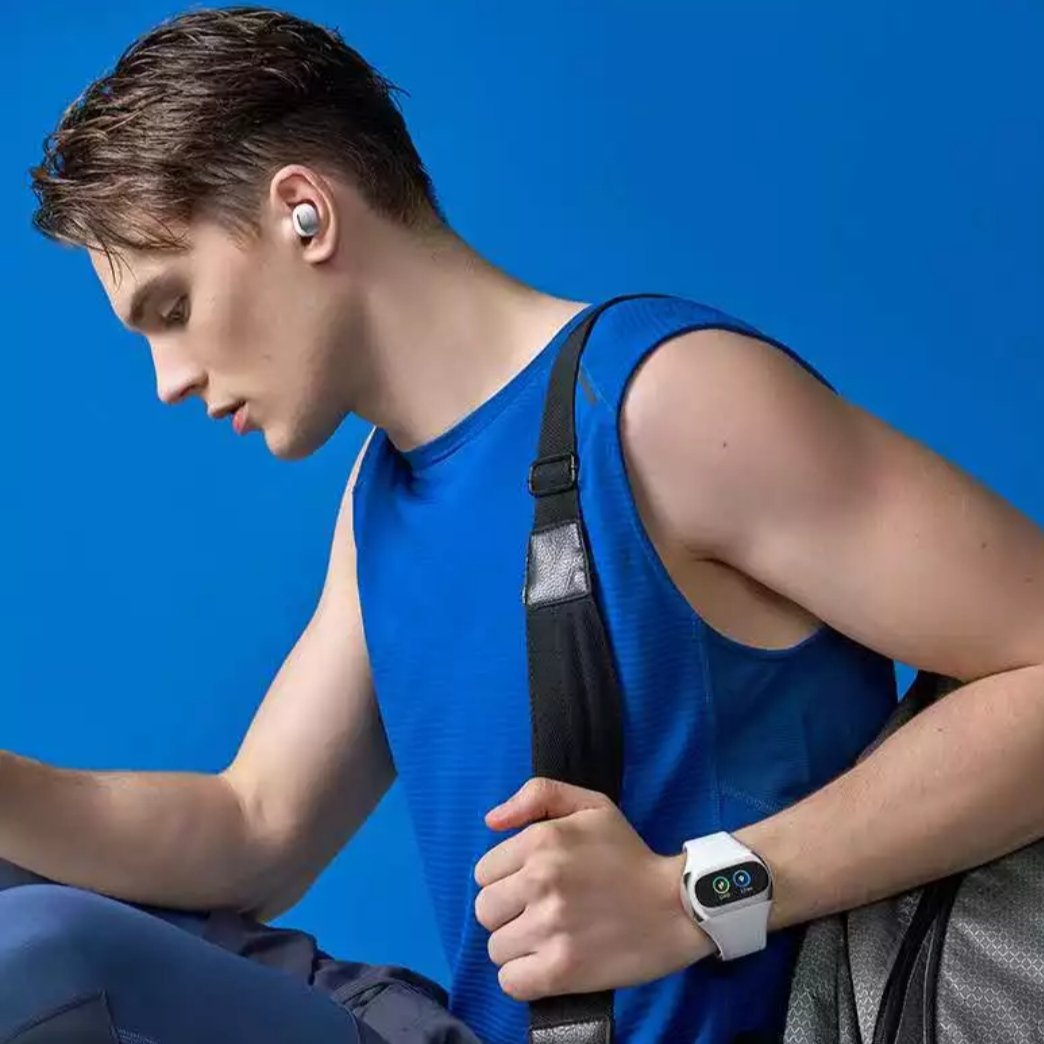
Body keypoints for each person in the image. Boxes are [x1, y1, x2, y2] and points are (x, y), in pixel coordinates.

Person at [14, 5, 1044, 1043]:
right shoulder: (385, 497)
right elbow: (252, 834)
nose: (168, 381)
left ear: (305, 215)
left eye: (172, 307)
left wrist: (699, 896)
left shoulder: (661, 405)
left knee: (48, 947)